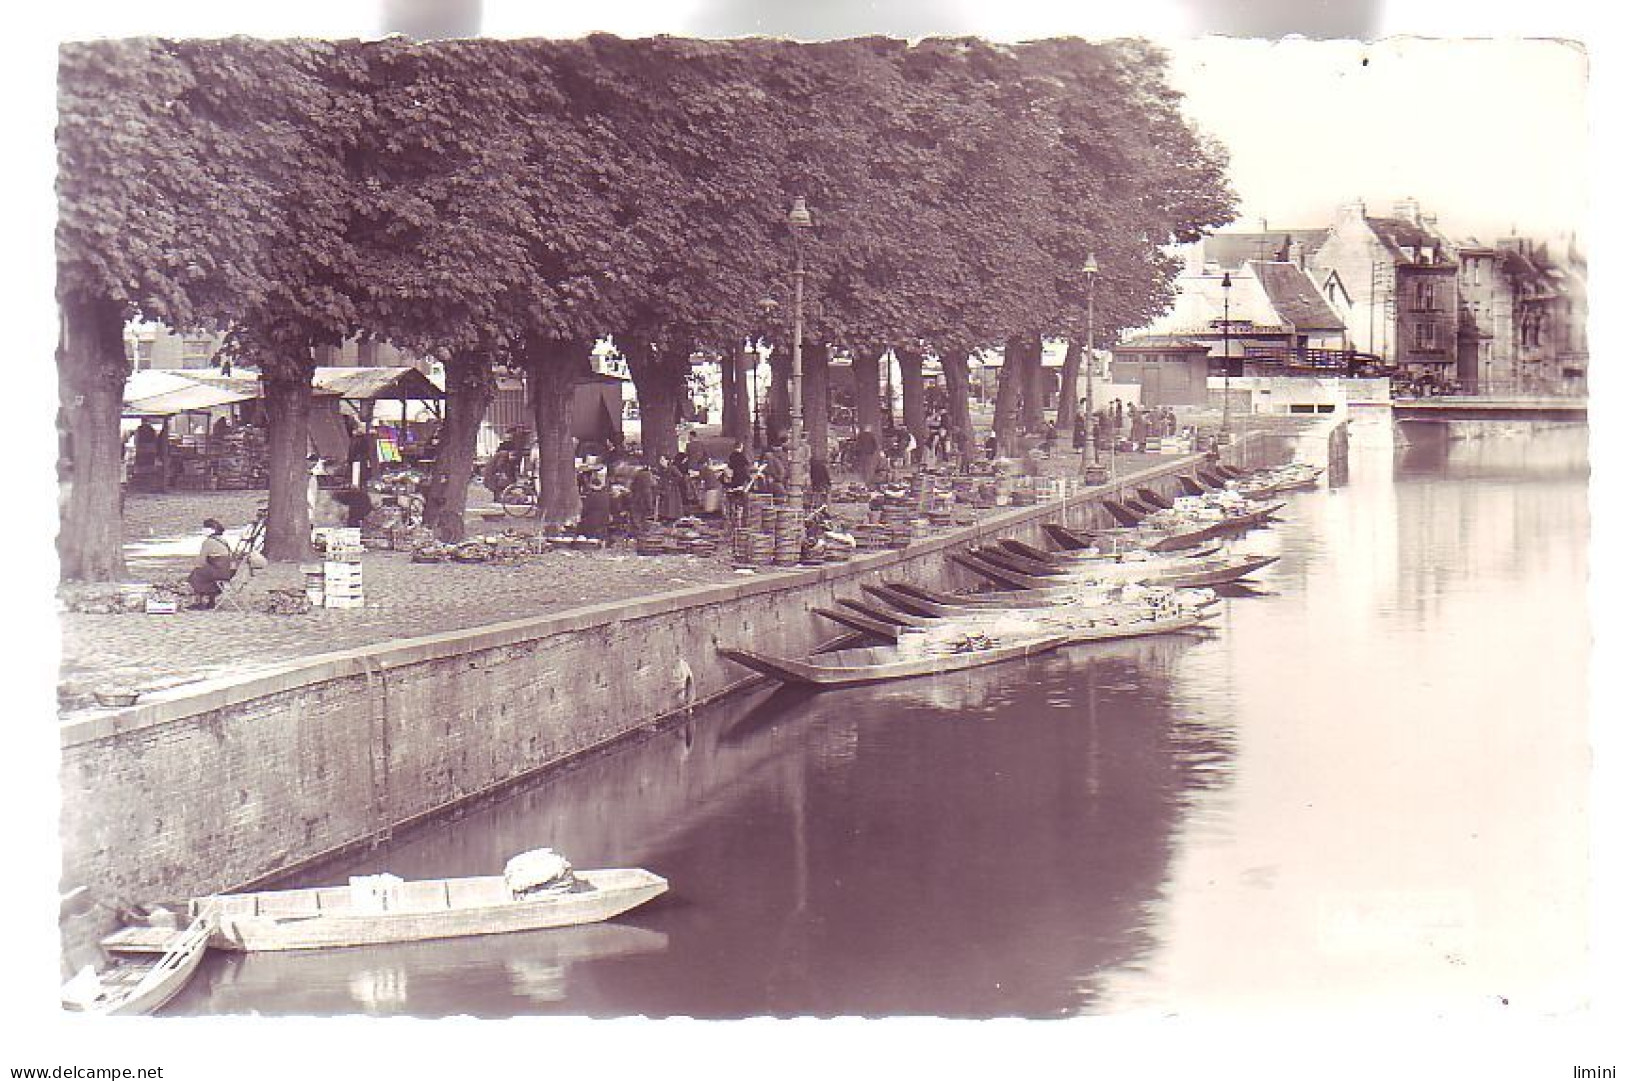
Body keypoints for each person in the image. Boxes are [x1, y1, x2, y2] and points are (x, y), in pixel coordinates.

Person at [187, 519, 236, 610]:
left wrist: (197, 567)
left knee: (196, 575)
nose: (203, 530)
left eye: (205, 528)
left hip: (218, 570)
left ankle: (200, 601)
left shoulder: (208, 542)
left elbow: (201, 561)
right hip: (227, 571)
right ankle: (211, 600)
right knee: (205, 575)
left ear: (211, 530)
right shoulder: (222, 540)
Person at [578, 474, 613, 540]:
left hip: (592, 520)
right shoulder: (606, 495)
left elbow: (585, 510)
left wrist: (582, 517)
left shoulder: (590, 496)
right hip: (604, 519)